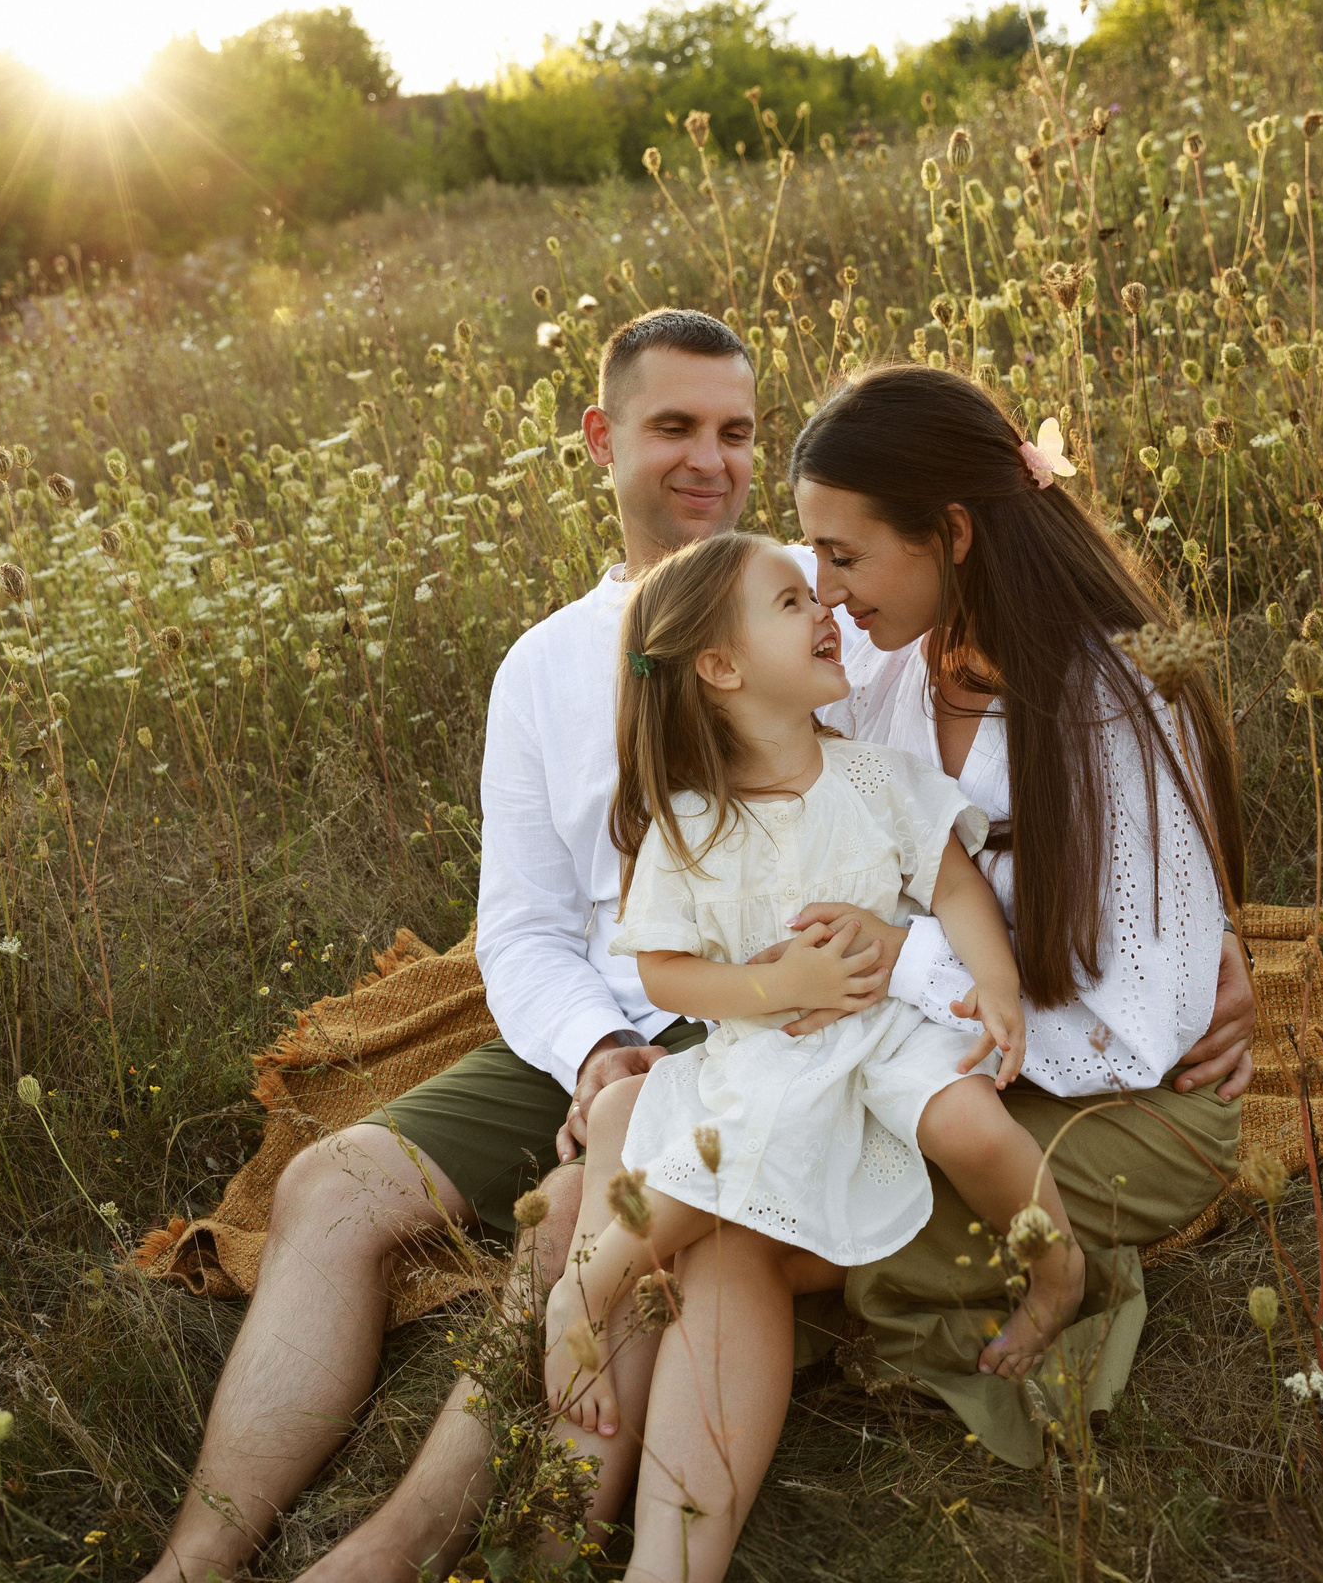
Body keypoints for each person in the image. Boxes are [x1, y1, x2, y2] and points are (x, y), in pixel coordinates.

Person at [140, 319, 1257, 1583]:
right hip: (672, 1006)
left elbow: (1019, 838)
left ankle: (446, 1543)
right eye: (674, 428)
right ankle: (203, 1559)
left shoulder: (845, 629)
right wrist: (599, 1047)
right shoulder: (571, 662)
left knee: (632, 1211)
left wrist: (1204, 929)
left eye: (735, 432)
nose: (712, 463)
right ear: (602, 440)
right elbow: (525, 924)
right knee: (361, 1186)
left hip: (825, 1018)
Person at [559, 362, 1249, 1583]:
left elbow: (1137, 1028)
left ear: (953, 534)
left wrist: (898, 962)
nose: (825, 591)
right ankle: (573, 1521)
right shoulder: (881, 660)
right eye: (810, 567)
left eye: (842, 557)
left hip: (1105, 1092)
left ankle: (622, 1539)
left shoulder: (1116, 707)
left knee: (736, 1226)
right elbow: (785, 818)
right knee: (714, 1190)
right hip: (917, 1054)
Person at [543, 533, 1084, 1445]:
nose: (824, 611)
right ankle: (582, 1293)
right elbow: (664, 971)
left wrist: (995, 980)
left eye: (816, 597)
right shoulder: (688, 824)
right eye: (791, 603)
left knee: (971, 1125)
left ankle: (1057, 1269)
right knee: (713, 1174)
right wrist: (776, 986)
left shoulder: (875, 776)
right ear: (721, 668)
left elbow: (955, 886)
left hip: (892, 1023)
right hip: (777, 1045)